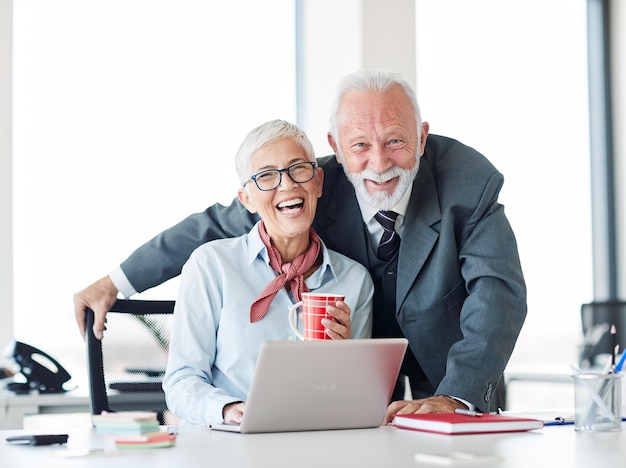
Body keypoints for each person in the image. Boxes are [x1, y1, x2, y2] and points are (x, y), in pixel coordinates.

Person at [74, 69, 527, 423]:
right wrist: (116, 281)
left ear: (422, 138)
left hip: (450, 373)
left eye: (396, 141)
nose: (379, 162)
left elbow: (497, 296)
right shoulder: (309, 181)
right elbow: (211, 225)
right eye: (360, 145)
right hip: (360, 399)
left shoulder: (469, 184)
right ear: (336, 148)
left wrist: (457, 395)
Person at [163, 119, 373, 425]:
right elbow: (181, 382)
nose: (286, 185)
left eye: (298, 169)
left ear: (318, 181)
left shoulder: (355, 281)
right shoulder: (211, 265)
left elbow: (356, 399)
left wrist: (342, 362)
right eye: (266, 176)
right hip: (226, 446)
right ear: (246, 199)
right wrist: (230, 410)